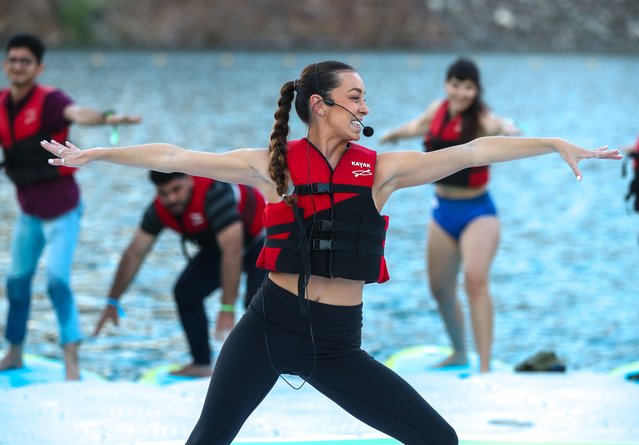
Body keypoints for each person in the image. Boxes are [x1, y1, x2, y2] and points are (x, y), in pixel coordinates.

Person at [41, 60, 619, 444]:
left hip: (337, 345)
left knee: (439, 439)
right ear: (320, 104)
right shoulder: (271, 165)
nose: (366, 108)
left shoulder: (381, 172)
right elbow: (174, 155)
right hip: (268, 325)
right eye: (356, 98)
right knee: (206, 441)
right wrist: (94, 157)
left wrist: (550, 144)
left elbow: (471, 151)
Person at [0, 33, 141, 380]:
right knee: (16, 283)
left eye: (25, 61)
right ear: (6, 64)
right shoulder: (2, 103)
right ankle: (14, 352)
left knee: (57, 282)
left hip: (63, 212)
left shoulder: (51, 100)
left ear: (38, 67)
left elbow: (78, 113)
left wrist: (108, 117)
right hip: (29, 213)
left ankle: (72, 365)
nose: (17, 66)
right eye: (13, 60)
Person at [380, 58, 520, 372]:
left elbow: (500, 125)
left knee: (475, 281)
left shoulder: (482, 119)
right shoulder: (436, 111)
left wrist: (510, 129)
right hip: (442, 211)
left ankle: (484, 367)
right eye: (455, 84)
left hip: (478, 212)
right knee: (440, 288)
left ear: (476, 89)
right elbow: (415, 127)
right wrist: (392, 135)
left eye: (468, 86)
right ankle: (459, 353)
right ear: (447, 85)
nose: (461, 92)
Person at [93, 170, 267, 377]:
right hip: (220, 246)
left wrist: (226, 307)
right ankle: (201, 363)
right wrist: (113, 300)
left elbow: (233, 251)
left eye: (176, 190)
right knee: (185, 291)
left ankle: (267, 366)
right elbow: (135, 252)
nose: (171, 199)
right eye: (163, 193)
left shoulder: (214, 194)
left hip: (262, 240)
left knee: (256, 304)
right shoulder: (159, 210)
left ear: (189, 180)